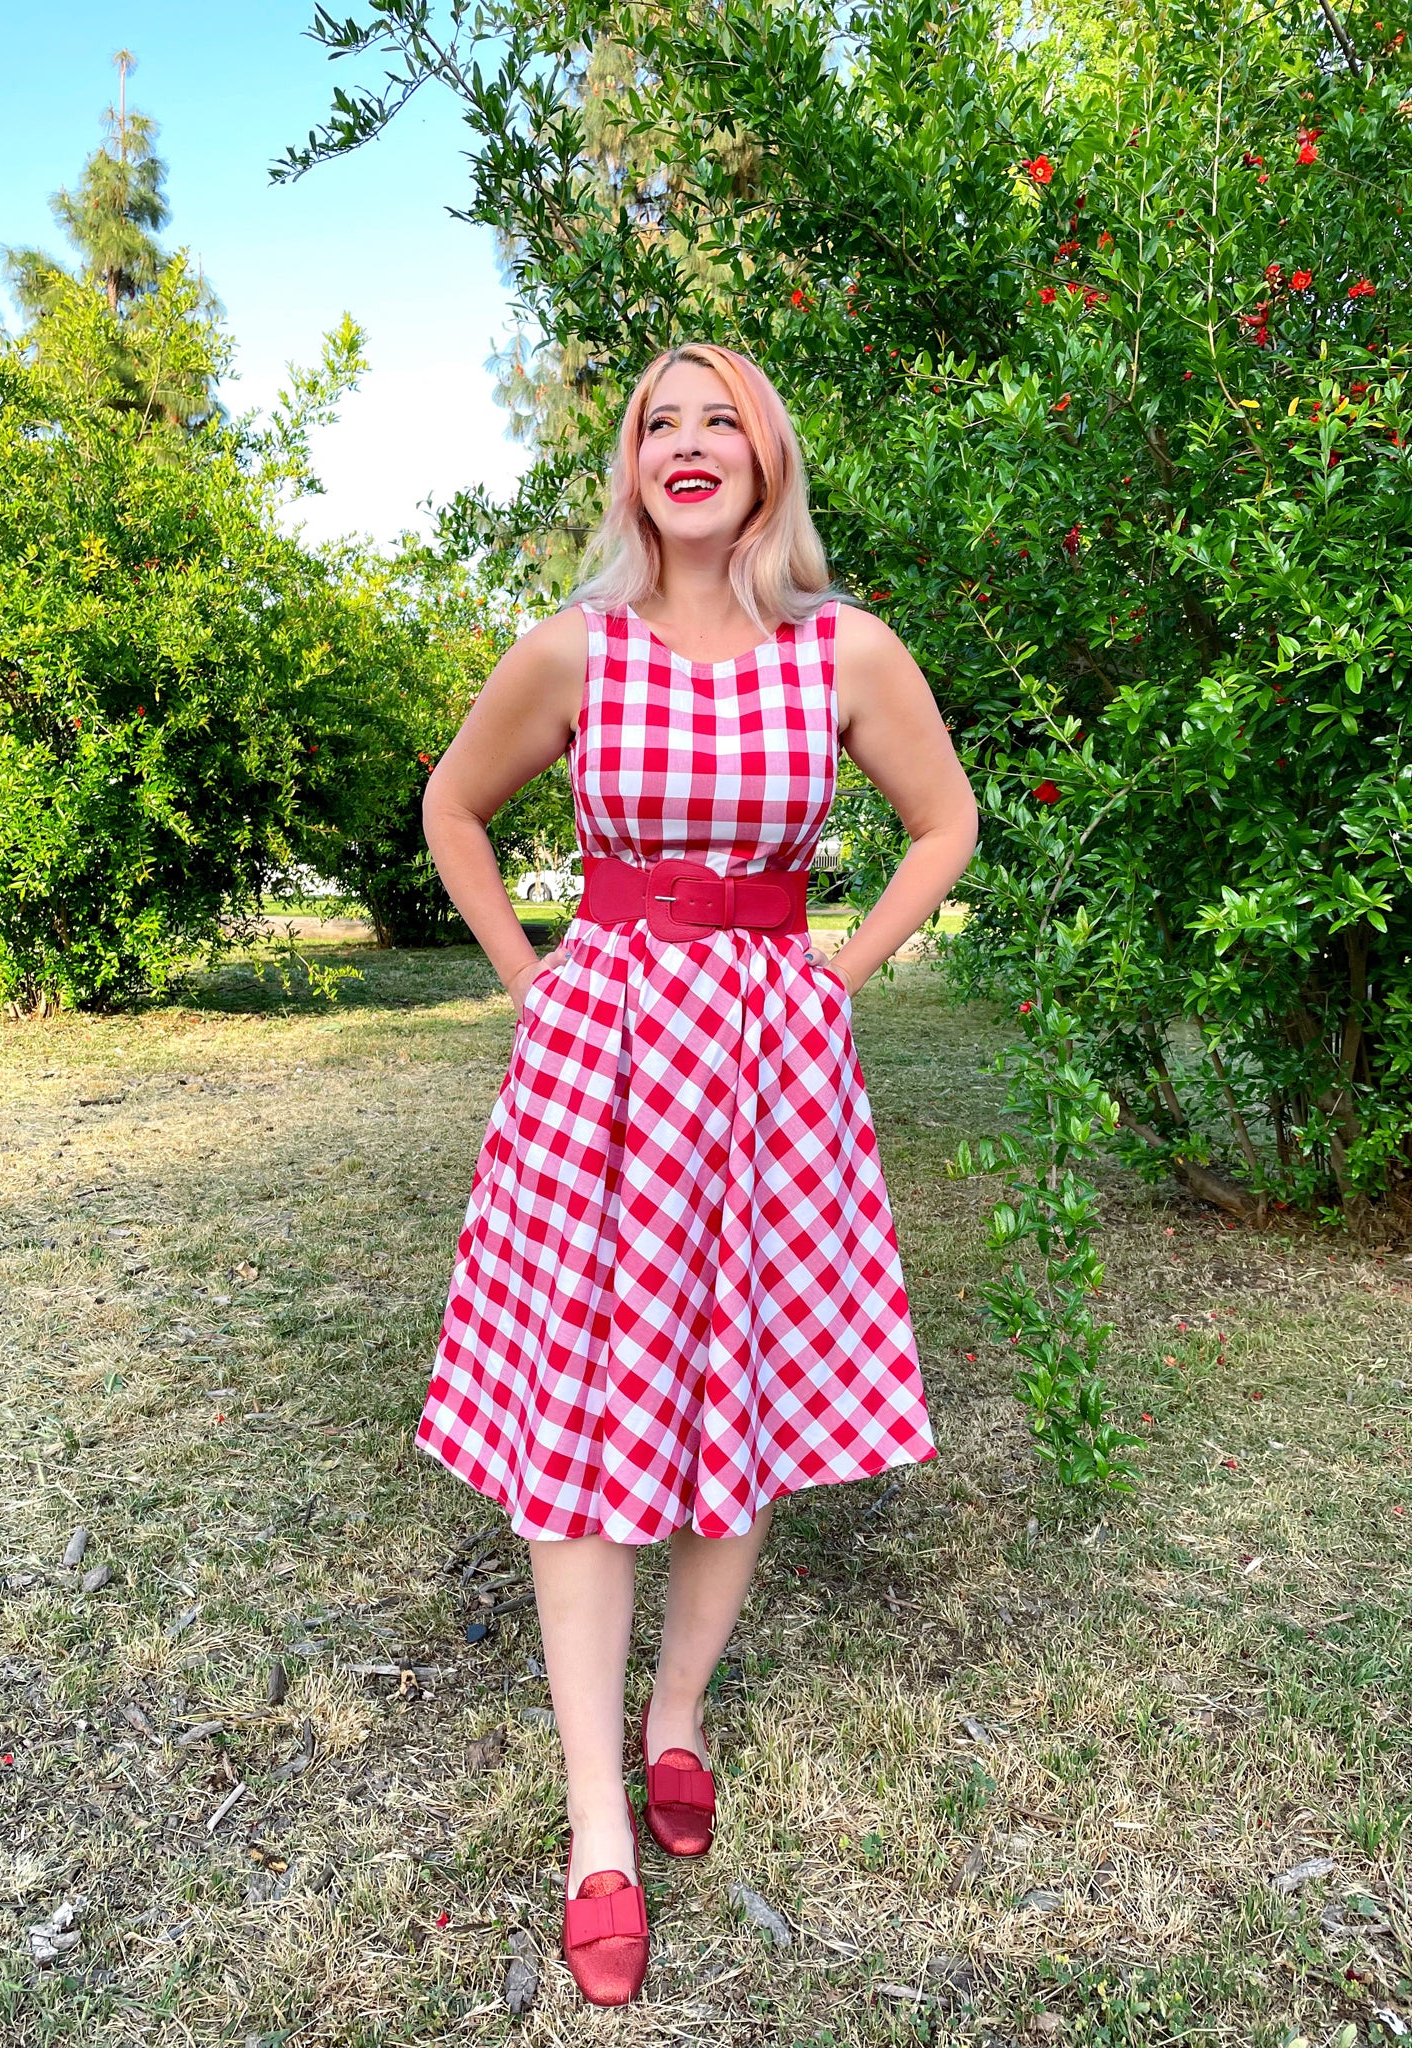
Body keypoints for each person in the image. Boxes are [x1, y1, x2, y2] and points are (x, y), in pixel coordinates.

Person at [417, 342, 978, 2006]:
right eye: (657, 420)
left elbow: (943, 823)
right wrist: (537, 984)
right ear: (630, 471)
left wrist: (834, 975)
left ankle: (677, 1715)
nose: (687, 440)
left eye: (718, 415)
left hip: (765, 1074)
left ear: (768, 456)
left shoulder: (845, 651)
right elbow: (455, 808)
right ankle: (599, 1822)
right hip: (600, 1076)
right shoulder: (572, 651)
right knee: (586, 1422)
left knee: (731, 1396)